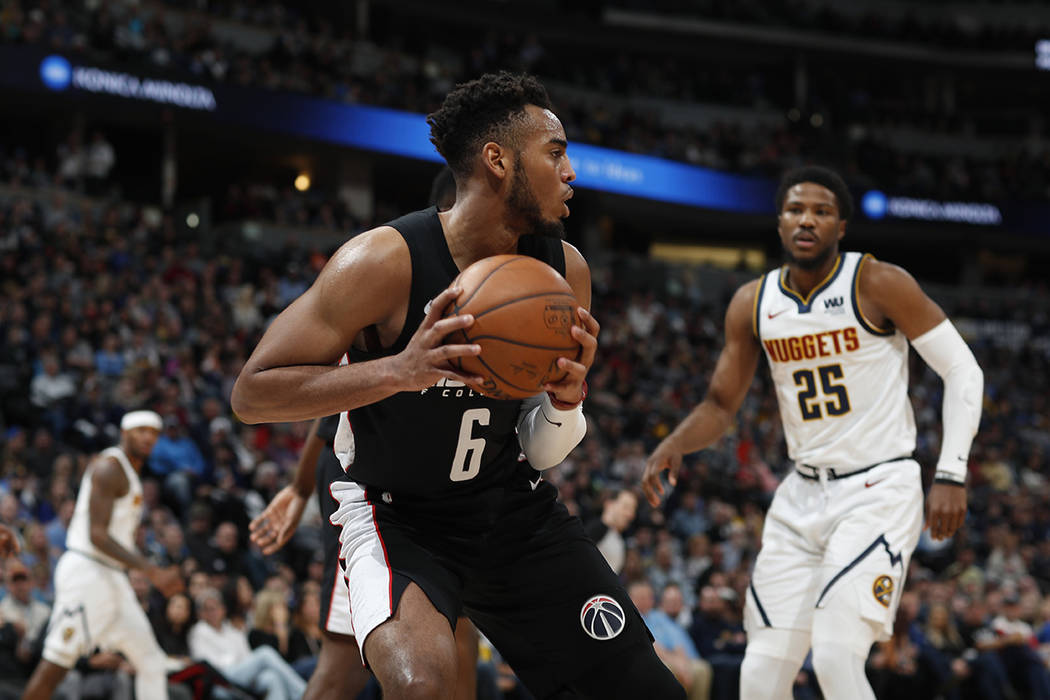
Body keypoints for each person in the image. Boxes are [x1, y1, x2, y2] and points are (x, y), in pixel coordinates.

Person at [233, 71, 683, 699]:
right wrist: (398, 369)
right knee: (423, 687)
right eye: (555, 153)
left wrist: (566, 403)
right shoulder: (383, 262)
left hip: (506, 504)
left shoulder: (564, 272)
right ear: (498, 160)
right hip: (392, 512)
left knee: (643, 688)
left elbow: (544, 449)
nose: (571, 172)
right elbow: (253, 393)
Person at [642, 165, 984, 699]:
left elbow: (964, 370)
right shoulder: (752, 302)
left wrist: (951, 471)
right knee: (758, 675)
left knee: (834, 656)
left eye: (821, 211)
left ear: (841, 226)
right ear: (779, 222)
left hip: (879, 487)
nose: (807, 219)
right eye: (796, 209)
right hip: (800, 495)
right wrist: (674, 442)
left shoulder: (877, 282)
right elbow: (720, 404)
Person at [24, 410, 185, 700]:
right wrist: (151, 571)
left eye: (153, 431)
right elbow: (97, 536)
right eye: (141, 430)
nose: (148, 436)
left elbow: (117, 537)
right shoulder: (109, 468)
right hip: (88, 572)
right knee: (56, 665)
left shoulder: (131, 472)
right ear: (124, 433)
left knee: (150, 660)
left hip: (111, 577)